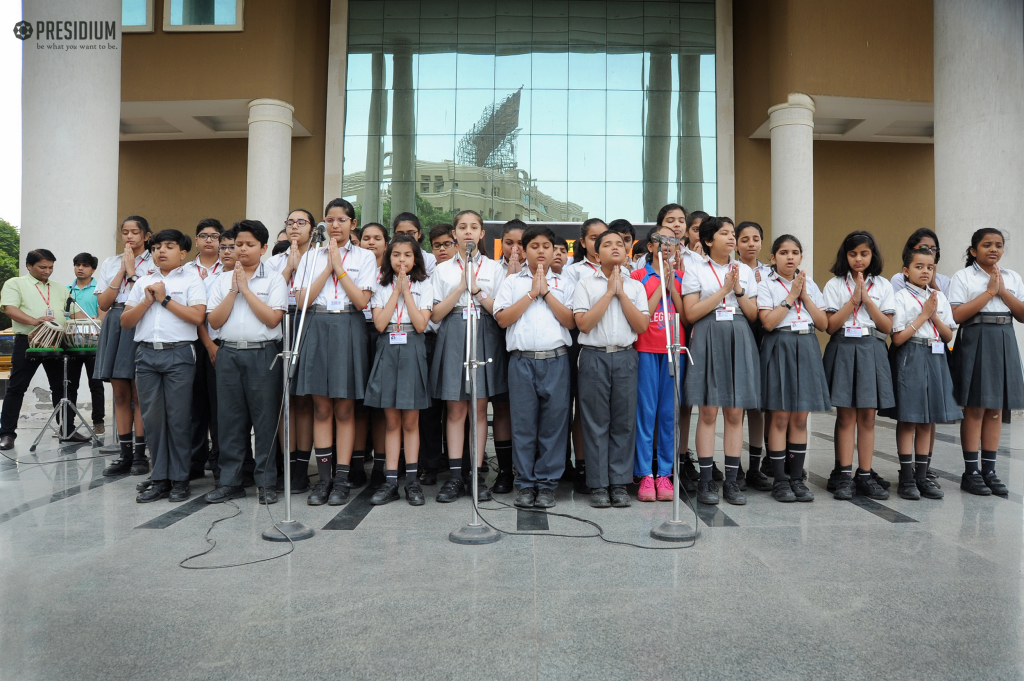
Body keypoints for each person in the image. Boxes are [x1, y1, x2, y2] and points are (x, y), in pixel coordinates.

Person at [294, 198, 377, 506]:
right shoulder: (311, 256)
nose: (335, 225)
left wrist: (339, 268)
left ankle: (342, 479)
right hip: (316, 324)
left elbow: (361, 301)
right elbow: (303, 300)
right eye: (330, 220)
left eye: (342, 220)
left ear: (353, 224)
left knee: (344, 408)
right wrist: (327, 265)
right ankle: (324, 479)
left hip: (348, 324)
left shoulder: (365, 258)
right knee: (321, 408)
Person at [203, 220, 287, 505]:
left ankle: (266, 483)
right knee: (229, 421)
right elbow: (213, 321)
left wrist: (247, 290)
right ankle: (230, 482)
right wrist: (234, 290)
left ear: (263, 248)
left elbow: (273, 318)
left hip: (263, 353)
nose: (241, 249)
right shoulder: (220, 280)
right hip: (228, 354)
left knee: (264, 421)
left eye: (249, 244)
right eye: (237, 244)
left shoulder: (275, 279)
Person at [120, 229, 207, 503]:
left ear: (183, 253)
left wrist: (164, 299)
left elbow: (196, 316)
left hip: (178, 354)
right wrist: (147, 299)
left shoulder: (193, 280)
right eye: (157, 246)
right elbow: (126, 322)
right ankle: (159, 478)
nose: (161, 251)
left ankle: (180, 479)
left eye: (169, 246)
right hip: (146, 355)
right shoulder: (142, 282)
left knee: (179, 419)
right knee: (153, 420)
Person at [493, 225, 576, 509]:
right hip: (522, 361)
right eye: (534, 246)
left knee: (554, 426)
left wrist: (546, 293)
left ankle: (547, 484)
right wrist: (530, 294)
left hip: (556, 360)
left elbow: (570, 321)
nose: (541, 251)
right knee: (524, 426)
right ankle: (525, 484)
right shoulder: (512, 282)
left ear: (555, 251)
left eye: (546, 246)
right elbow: (503, 320)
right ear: (523, 251)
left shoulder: (566, 283)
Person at [681, 216, 761, 506]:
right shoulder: (694, 269)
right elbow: (690, 314)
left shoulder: (746, 272)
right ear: (708, 240)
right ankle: (705, 481)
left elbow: (753, 315)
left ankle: (731, 481)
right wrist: (723, 291)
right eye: (724, 233)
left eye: (733, 233)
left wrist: (737, 289)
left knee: (734, 412)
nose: (731, 238)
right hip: (707, 333)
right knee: (707, 412)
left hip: (738, 334)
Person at [429, 209, 506, 503]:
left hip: (484, 331)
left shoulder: (493, 268)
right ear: (454, 234)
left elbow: (499, 311)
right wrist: (461, 287)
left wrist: (477, 289)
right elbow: (435, 314)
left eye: (474, 227)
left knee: (478, 407)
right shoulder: (443, 269)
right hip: (453, 330)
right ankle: (453, 476)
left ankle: (475, 474)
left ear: (482, 234)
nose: (468, 232)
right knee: (455, 408)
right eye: (462, 227)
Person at [573, 230, 649, 508]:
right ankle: (598, 484)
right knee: (595, 423)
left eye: (620, 243)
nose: (615, 248)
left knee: (624, 422)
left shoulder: (636, 286)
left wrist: (621, 294)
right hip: (594, 357)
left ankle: (618, 483)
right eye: (607, 244)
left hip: (626, 357)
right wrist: (608, 293)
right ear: (596, 252)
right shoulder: (585, 284)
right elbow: (583, 324)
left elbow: (641, 327)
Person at [949, 228, 1024, 496]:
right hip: (975, 338)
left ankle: (989, 471)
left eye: (998, 245)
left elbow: (1022, 314)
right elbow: (956, 315)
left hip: (1004, 338)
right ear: (973, 251)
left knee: (995, 408)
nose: (993, 249)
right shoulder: (964, 276)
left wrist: (1003, 290)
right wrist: (990, 293)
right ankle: (971, 472)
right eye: (986, 245)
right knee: (976, 408)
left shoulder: (1012, 277)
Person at [756, 235, 830, 503]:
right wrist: (790, 297)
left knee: (800, 418)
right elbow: (768, 323)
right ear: (773, 258)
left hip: (807, 344)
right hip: (780, 345)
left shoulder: (809, 283)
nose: (790, 257)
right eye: (784, 252)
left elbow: (823, 324)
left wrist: (805, 295)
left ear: (801, 257)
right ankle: (780, 480)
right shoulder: (766, 284)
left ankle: (797, 479)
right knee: (780, 417)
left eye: (795, 252)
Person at [822, 231, 895, 501]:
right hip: (842, 346)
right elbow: (830, 326)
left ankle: (864, 475)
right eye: (853, 254)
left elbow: (887, 327)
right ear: (846, 255)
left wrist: (867, 300)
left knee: (867, 416)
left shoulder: (884, 285)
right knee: (845, 416)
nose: (858, 259)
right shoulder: (834, 284)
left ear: (872, 255)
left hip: (872, 348)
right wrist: (853, 300)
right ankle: (843, 475)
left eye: (864, 253)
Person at [364, 234, 433, 506]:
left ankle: (412, 482)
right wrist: (395, 291)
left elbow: (420, 325)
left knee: (410, 421)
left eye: (407, 254)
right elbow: (380, 324)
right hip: (388, 346)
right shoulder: (379, 285)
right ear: (388, 257)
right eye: (395, 255)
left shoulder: (425, 284)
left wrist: (407, 292)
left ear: (415, 258)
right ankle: (390, 482)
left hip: (413, 345)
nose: (401, 260)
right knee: (391, 421)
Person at [887, 246, 959, 500]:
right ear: (906, 271)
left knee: (928, 419)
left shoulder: (939, 298)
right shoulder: (900, 298)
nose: (925, 271)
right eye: (919, 267)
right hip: (911, 354)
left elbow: (949, 335)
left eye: (930, 267)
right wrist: (923, 315)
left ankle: (922, 475)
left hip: (937, 355)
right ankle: (906, 477)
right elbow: (897, 338)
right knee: (909, 418)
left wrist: (934, 316)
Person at [95, 216, 155, 476]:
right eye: (125, 232)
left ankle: (141, 455)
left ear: (146, 235)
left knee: (139, 391)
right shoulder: (110, 262)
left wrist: (133, 271)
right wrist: (122, 269)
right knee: (120, 392)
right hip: (115, 321)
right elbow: (104, 303)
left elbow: (145, 295)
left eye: (135, 232)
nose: (129, 237)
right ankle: (125, 453)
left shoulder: (154, 261)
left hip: (140, 320)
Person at [0, 250, 76, 449]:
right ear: (29, 266)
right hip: (28, 341)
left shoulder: (60, 288)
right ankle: (7, 435)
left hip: (56, 343)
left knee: (62, 387)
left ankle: (67, 431)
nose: (47, 271)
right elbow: (10, 308)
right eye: (43, 267)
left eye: (51, 267)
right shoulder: (15, 283)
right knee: (17, 387)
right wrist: (35, 321)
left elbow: (72, 314)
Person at [631, 224, 685, 502]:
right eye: (660, 240)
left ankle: (664, 473)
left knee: (668, 414)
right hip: (645, 350)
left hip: (674, 351)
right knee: (645, 413)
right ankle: (644, 474)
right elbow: (641, 313)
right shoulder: (638, 275)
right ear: (650, 246)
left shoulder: (683, 277)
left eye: (672, 241)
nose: (666, 244)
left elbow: (686, 314)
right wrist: (661, 282)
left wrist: (672, 282)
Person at [266, 209, 316, 493]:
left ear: (312, 228)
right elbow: (269, 295)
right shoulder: (274, 262)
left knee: (304, 399)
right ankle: (286, 464)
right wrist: (289, 269)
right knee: (285, 399)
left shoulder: (321, 257)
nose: (295, 226)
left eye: (302, 222)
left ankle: (301, 469)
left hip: (310, 322)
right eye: (290, 222)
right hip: (281, 324)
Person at [560, 217, 610, 493]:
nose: (598, 242)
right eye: (593, 238)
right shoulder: (573, 272)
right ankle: (572, 462)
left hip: (605, 344)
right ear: (582, 242)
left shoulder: (620, 271)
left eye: (604, 237)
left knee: (591, 409)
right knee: (571, 405)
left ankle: (588, 463)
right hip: (577, 344)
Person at [489, 218, 527, 495]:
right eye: (509, 243)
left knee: (527, 410)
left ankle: (528, 470)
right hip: (496, 344)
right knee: (502, 408)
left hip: (527, 347)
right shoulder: (491, 270)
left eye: (521, 244)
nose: (515, 250)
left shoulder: (540, 270)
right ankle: (503, 471)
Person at [185, 219, 225, 483]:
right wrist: (207, 344)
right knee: (195, 405)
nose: (209, 240)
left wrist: (213, 344)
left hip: (222, 342)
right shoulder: (185, 269)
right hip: (193, 342)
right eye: (203, 235)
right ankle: (194, 461)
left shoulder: (230, 267)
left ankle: (221, 462)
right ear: (196, 240)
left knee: (220, 406)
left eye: (214, 236)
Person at [417, 224, 457, 485]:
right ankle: (429, 465)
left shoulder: (459, 273)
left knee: (456, 406)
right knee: (430, 408)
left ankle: (460, 465)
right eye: (436, 245)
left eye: (446, 244)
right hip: (428, 341)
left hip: (455, 340)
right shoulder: (424, 274)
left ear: (455, 244)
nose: (442, 249)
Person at [734, 220, 772, 491]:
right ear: (735, 243)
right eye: (744, 239)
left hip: (763, 336)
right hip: (735, 335)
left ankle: (756, 467)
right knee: (735, 406)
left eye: (755, 239)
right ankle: (732, 468)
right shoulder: (729, 270)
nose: (750, 244)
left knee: (757, 406)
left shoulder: (770, 273)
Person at [67, 252, 106, 435]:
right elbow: (64, 314)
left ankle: (98, 421)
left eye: (85, 265)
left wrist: (97, 319)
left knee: (96, 384)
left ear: (93, 269)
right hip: (72, 343)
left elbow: (103, 314)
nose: (80, 268)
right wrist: (84, 318)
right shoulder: (67, 290)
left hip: (94, 343)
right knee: (70, 384)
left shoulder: (100, 289)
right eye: (77, 265)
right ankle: (67, 424)